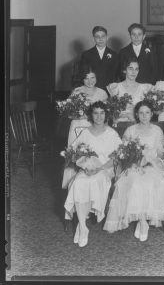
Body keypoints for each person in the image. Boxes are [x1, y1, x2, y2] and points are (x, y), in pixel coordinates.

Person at [103, 101, 164, 241]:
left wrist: (149, 158)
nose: (144, 116)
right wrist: (135, 162)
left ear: (152, 114)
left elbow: (161, 153)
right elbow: (123, 153)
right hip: (133, 166)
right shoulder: (131, 130)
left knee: (151, 182)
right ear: (137, 115)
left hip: (152, 166)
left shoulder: (157, 130)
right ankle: (143, 222)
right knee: (135, 183)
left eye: (147, 113)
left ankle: (142, 221)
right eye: (141, 113)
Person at [63, 101, 121, 247]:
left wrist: (100, 168)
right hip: (87, 169)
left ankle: (81, 226)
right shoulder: (85, 132)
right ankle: (83, 226)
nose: (99, 116)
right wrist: (85, 166)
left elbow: (117, 156)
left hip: (104, 169)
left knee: (93, 182)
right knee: (78, 182)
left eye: (102, 113)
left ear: (106, 115)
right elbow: (74, 153)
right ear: (91, 115)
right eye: (96, 113)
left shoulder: (112, 133)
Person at [63, 65, 108, 190]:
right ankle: (74, 189)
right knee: (76, 156)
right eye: (86, 78)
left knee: (93, 155)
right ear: (82, 79)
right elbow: (69, 113)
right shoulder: (77, 91)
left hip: (94, 128)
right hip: (77, 126)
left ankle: (93, 187)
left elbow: (105, 114)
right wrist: (79, 115)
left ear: (96, 78)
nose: (90, 81)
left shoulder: (102, 93)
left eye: (92, 77)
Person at [107, 57, 153, 131]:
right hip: (119, 126)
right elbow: (111, 112)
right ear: (125, 70)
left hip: (138, 126)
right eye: (130, 69)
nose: (133, 72)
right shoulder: (115, 88)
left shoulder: (144, 88)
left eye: (136, 69)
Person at [78, 26, 119, 90]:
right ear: (93, 38)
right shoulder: (86, 55)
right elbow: (83, 75)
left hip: (110, 90)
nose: (100, 39)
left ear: (107, 37)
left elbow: (116, 75)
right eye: (97, 37)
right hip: (92, 89)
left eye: (103, 36)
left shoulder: (114, 55)